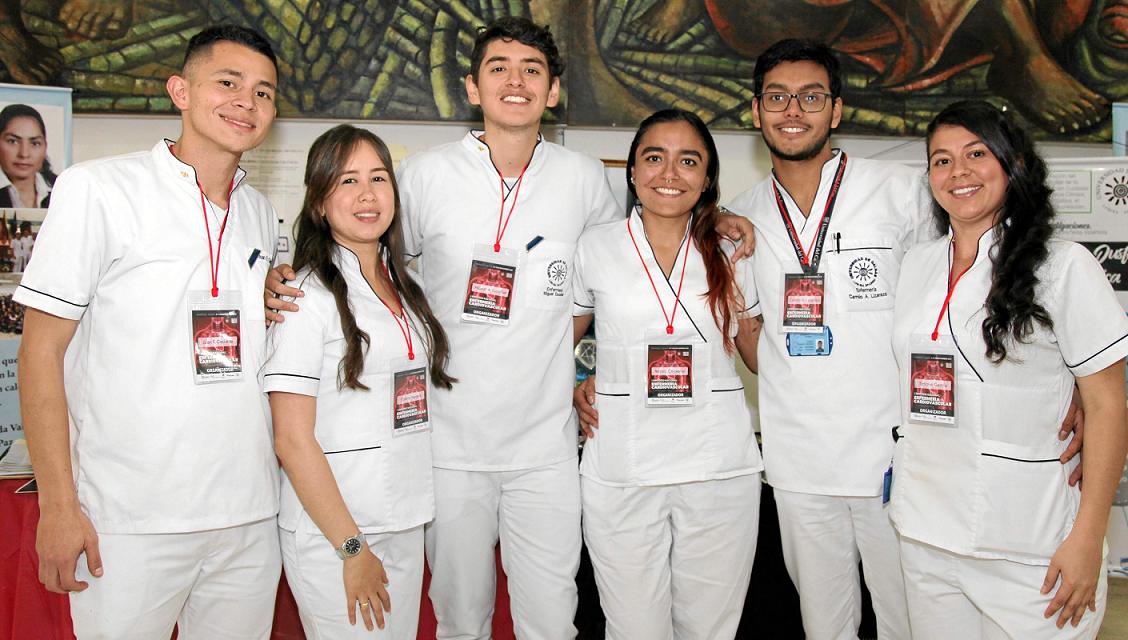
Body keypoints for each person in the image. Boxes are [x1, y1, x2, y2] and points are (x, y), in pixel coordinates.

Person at [265, 16, 755, 639]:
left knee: (552, 622)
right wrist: (283, 275)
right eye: (499, 68)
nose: (516, 82)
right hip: (447, 447)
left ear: (553, 90)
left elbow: (630, 261)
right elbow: (362, 248)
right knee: (461, 619)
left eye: (532, 70)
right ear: (473, 87)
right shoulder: (424, 177)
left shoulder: (583, 180)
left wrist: (716, 215)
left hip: (546, 449)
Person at [15, 25, 282, 639]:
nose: (246, 102)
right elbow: (40, 353)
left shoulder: (260, 213)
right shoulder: (99, 189)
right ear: (180, 91)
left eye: (263, 92)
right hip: (128, 520)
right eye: (228, 82)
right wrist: (58, 504)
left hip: (246, 517)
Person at [890, 99, 1128, 639]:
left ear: (1014, 163)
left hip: (1032, 546)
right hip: (927, 532)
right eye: (942, 160)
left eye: (976, 154)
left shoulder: (1063, 266)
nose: (959, 171)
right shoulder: (917, 265)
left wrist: (1088, 537)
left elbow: (1108, 405)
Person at [722, 37, 933, 639]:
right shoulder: (743, 215)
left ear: (836, 110)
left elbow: (949, 307)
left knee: (909, 622)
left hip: (896, 458)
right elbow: (750, 334)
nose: (793, 111)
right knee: (824, 626)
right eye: (777, 97)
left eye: (811, 97)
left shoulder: (901, 192)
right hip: (800, 464)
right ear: (756, 110)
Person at [571, 108, 763, 639]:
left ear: (707, 177)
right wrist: (575, 386)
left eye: (688, 161)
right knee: (633, 629)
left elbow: (759, 356)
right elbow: (556, 343)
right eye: (654, 158)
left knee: (710, 630)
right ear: (632, 170)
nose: (670, 173)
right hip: (622, 469)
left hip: (717, 470)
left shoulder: (733, 249)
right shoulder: (595, 247)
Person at [265, 124, 454, 638]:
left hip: (403, 518)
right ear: (319, 202)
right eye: (347, 181)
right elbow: (291, 438)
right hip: (338, 535)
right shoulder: (305, 298)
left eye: (378, 178)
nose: (367, 194)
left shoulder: (406, 288)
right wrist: (351, 548)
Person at [0, 104, 56, 209]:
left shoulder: (62, 188)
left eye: (35, 143)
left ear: (45, 147)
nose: (24, 154)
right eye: (13, 141)